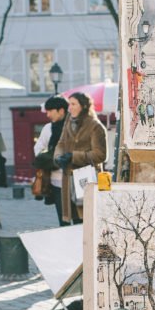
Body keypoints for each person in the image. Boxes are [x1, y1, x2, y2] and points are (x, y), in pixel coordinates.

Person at [53, 91, 107, 225]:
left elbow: (101, 155)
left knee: (86, 219)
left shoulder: (95, 126)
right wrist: (58, 157)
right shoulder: (68, 122)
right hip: (69, 178)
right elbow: (61, 142)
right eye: (69, 104)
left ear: (83, 106)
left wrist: (74, 156)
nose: (69, 108)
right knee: (73, 217)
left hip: (86, 178)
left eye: (73, 104)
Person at [33, 95, 68, 225]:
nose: (47, 114)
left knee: (79, 220)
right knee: (63, 220)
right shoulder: (48, 128)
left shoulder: (75, 126)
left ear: (61, 110)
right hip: (56, 181)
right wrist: (48, 158)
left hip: (74, 180)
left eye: (50, 111)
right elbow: (38, 148)